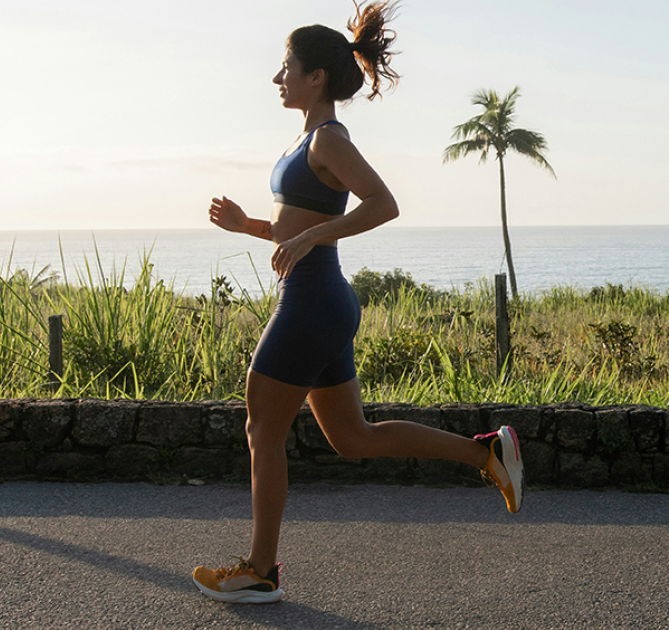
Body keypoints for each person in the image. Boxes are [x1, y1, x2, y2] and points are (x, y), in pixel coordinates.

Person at [193, 1, 524, 605]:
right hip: (323, 301)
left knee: (261, 430)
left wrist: (310, 236)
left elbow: (383, 203)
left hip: (311, 303)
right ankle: (486, 453)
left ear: (316, 76)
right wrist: (250, 227)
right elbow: (299, 226)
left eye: (287, 66)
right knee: (353, 437)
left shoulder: (328, 139)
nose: (278, 77)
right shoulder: (305, 142)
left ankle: (260, 570)